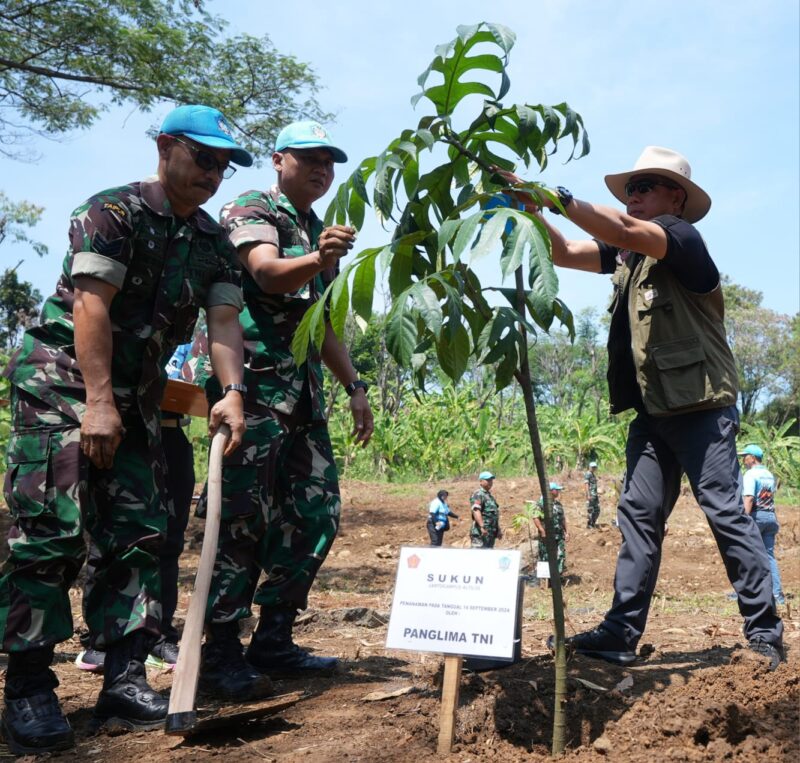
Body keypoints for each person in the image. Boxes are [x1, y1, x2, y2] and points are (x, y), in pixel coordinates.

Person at [0, 104, 250, 754]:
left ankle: (124, 675)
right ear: (166, 146)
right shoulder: (111, 212)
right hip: (61, 378)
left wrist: (231, 394)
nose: (214, 173)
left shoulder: (213, 244)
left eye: (224, 165)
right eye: (204, 157)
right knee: (53, 529)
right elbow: (90, 307)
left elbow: (223, 326)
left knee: (139, 530)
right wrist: (99, 403)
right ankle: (28, 684)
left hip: (134, 390)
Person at [498, 146, 784, 670]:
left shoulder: (681, 239)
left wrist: (553, 195)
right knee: (638, 517)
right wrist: (528, 212)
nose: (634, 196)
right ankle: (620, 633)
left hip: (700, 407)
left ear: (675, 197)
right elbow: (564, 252)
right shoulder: (628, 259)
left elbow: (627, 232)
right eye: (631, 188)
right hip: (654, 414)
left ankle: (764, 631)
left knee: (724, 512)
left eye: (645, 186)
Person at [197, 120, 375, 701]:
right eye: (309, 158)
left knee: (316, 511)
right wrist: (318, 257)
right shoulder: (252, 207)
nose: (322, 169)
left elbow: (319, 321)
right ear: (279, 160)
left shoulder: (319, 229)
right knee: (244, 516)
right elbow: (268, 275)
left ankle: (275, 636)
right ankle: (219, 650)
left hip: (301, 396)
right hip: (249, 387)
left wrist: (354, 385)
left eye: (330, 162)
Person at [75, 341, 200, 673]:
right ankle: (100, 641)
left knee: (169, 541)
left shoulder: (192, 339)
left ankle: (159, 638)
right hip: (124, 432)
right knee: (114, 539)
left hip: (171, 435)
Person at [739, 444, 785, 605]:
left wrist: (742, 520)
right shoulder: (768, 474)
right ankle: (777, 595)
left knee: (746, 555)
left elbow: (749, 498)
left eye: (745, 456)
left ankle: (746, 593)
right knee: (769, 557)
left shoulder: (750, 474)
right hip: (770, 517)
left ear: (752, 457)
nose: (743, 459)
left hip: (756, 517)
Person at [533, 483, 569, 577]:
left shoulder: (558, 504)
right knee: (545, 556)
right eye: (556, 489)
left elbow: (563, 519)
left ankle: (557, 577)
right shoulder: (541, 504)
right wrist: (542, 530)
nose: (558, 491)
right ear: (550, 491)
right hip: (547, 536)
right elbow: (536, 517)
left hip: (559, 535)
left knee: (560, 556)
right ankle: (545, 580)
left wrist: (566, 532)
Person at [469, 471, 502, 548]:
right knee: (478, 556)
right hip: (481, 532)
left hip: (490, 533)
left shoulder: (490, 496)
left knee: (488, 556)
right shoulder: (478, 494)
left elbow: (494, 515)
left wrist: (498, 529)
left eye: (491, 480)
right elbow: (476, 510)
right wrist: (482, 526)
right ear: (481, 481)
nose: (490, 482)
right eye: (488, 480)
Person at [584, 461, 600, 528]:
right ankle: (589, 525)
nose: (594, 468)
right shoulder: (588, 474)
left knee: (597, 510)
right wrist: (588, 494)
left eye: (595, 467)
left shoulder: (592, 474)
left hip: (594, 495)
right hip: (591, 495)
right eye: (592, 467)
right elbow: (586, 484)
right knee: (590, 510)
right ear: (589, 467)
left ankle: (593, 523)